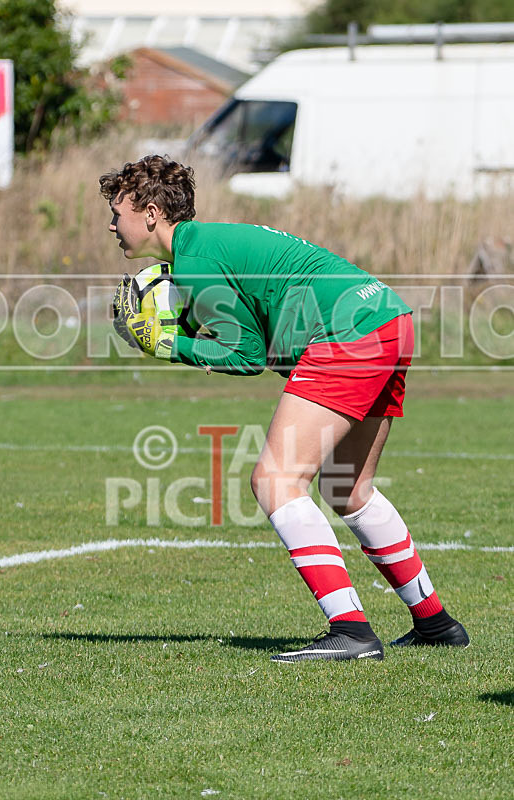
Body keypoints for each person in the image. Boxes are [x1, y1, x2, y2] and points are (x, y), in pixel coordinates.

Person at [99, 155, 469, 663]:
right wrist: (188, 332)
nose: (111, 225)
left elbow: (246, 355)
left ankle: (351, 631)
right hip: (386, 316)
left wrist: (171, 345)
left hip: (348, 330)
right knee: (348, 488)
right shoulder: (206, 246)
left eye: (116, 213)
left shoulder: (193, 260)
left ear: (151, 213)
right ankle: (435, 623)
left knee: (275, 480)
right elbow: (257, 331)